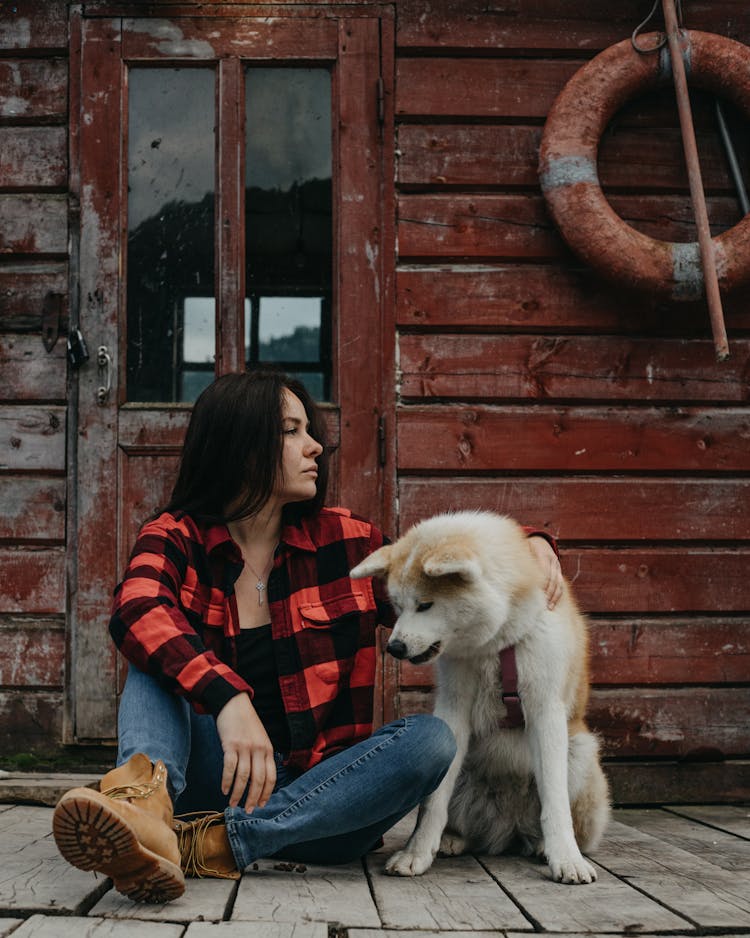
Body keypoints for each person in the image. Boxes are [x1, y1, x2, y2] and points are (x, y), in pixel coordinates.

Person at [52, 370, 563, 903]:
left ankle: (206, 845)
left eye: (308, 431)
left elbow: (435, 572)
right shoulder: (175, 536)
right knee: (154, 654)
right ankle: (146, 810)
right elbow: (136, 609)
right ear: (241, 445)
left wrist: (528, 544)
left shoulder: (345, 541)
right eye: (292, 431)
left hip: (325, 805)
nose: (316, 445)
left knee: (432, 740)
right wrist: (227, 698)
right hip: (208, 785)